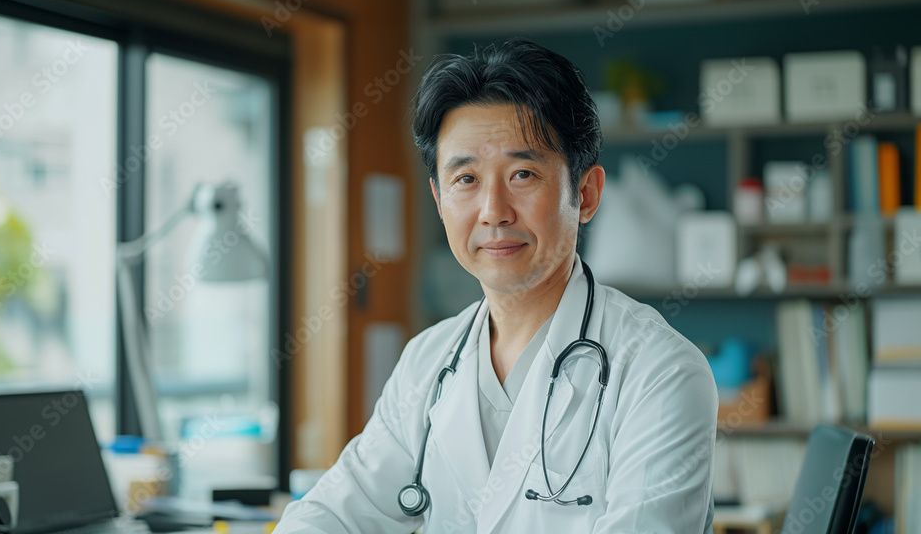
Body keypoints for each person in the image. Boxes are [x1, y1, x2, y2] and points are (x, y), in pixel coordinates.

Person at [275, 38, 718, 533]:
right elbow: (333, 512)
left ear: (587, 194)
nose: (493, 212)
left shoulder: (660, 372)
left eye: (523, 174)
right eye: (465, 179)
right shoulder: (429, 361)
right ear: (439, 200)